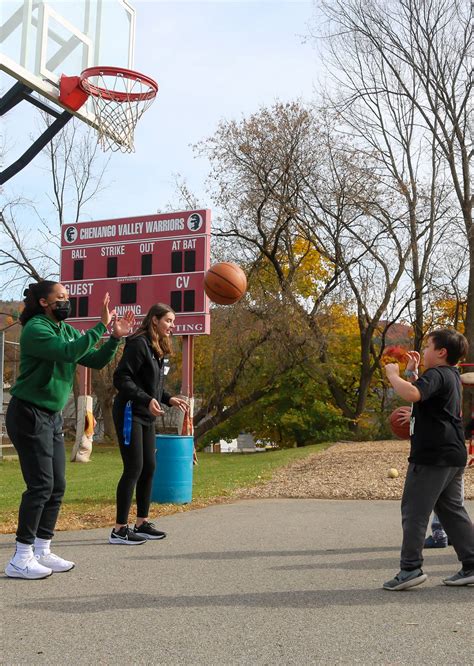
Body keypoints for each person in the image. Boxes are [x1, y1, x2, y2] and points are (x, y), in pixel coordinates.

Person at [4, 281, 134, 580]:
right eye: (60, 297)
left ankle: (42, 548)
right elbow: (67, 353)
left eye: (68, 296)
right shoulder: (36, 329)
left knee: (57, 484)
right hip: (28, 412)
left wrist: (114, 337)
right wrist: (101, 325)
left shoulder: (66, 329)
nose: (67, 301)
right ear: (43, 303)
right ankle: (20, 558)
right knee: (40, 485)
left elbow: (94, 359)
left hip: (50, 416)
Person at [383, 328, 474, 590]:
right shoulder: (450, 375)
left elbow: (413, 394)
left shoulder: (437, 374)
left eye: (427, 347)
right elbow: (424, 392)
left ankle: (410, 568)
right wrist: (412, 373)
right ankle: (471, 564)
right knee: (452, 511)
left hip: (433, 455)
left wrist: (394, 376)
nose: (423, 351)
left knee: (414, 511)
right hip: (453, 453)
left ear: (441, 352)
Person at [109, 303, 188, 545]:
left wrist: (168, 398)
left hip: (146, 414)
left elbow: (153, 385)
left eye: (173, 322)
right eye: (168, 321)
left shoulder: (156, 348)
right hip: (130, 412)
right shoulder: (138, 343)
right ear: (154, 320)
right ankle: (119, 530)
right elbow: (121, 378)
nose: (171, 326)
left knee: (149, 467)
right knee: (134, 467)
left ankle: (141, 523)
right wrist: (146, 398)